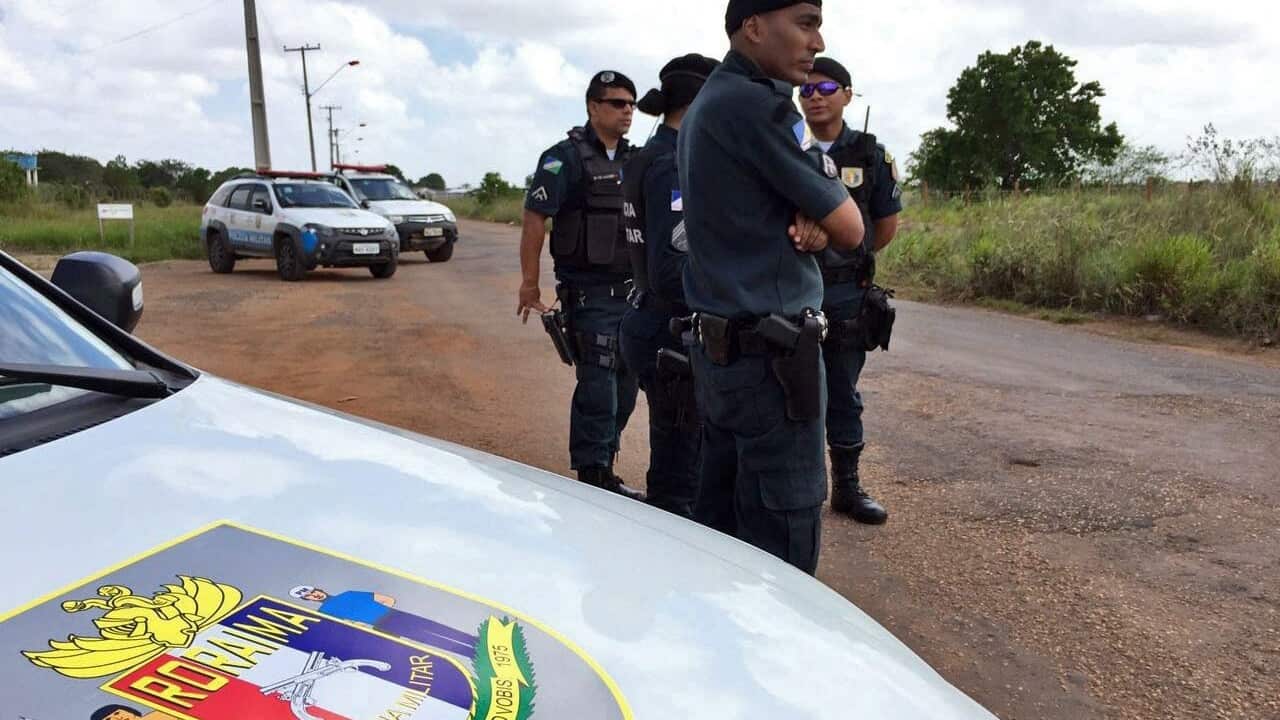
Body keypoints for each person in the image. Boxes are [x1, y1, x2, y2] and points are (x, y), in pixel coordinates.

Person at [678, 0, 865, 574]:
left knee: (724, 541)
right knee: (780, 557)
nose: (818, 40)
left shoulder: (713, 100)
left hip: (726, 356)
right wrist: (819, 211)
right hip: (770, 368)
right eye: (806, 23)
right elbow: (852, 229)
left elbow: (811, 218)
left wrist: (810, 214)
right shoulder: (758, 106)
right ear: (754, 28)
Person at [517, 71, 643, 499]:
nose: (627, 111)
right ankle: (593, 478)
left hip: (633, 295)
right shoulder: (562, 159)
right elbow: (536, 219)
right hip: (588, 295)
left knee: (626, 390)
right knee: (598, 390)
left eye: (631, 104)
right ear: (593, 107)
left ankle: (604, 462)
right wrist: (529, 284)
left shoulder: (636, 159)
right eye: (616, 103)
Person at [799, 56, 901, 524]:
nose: (815, 96)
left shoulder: (869, 154)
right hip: (789, 285)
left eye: (825, 88)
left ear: (847, 94)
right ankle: (799, 486)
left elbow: (884, 225)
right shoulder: (785, 144)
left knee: (842, 389)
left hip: (844, 291)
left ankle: (847, 487)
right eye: (806, 90)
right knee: (790, 389)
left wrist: (847, 250)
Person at [619, 54, 720, 519]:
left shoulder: (649, 156)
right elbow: (670, 267)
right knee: (681, 474)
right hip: (668, 328)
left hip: (653, 321)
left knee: (679, 454)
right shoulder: (672, 164)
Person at [290, 585, 477, 657]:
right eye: (311, 596)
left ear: (318, 589)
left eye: (314, 592)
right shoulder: (325, 612)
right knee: (426, 638)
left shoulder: (348, 593)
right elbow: (344, 629)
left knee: (433, 627)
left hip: (393, 615)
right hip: (382, 625)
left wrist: (382, 609)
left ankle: (474, 642)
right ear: (309, 600)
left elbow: (385, 598)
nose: (315, 595)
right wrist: (365, 624)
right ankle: (470, 651)